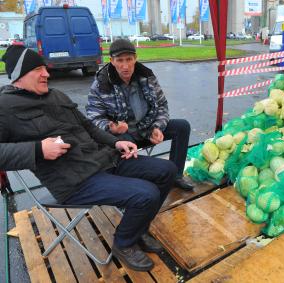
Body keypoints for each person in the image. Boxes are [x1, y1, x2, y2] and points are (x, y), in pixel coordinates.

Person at [0, 45, 177, 271]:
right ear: (19, 76)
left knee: (167, 171)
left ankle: (138, 229)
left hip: (102, 159)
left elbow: (88, 127)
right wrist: (38, 149)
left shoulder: (56, 95)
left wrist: (116, 142)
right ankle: (124, 243)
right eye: (38, 69)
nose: (46, 74)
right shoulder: (5, 107)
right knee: (146, 194)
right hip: (74, 180)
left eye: (45, 68)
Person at [86, 39, 194, 191]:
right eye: (120, 60)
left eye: (129, 59)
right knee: (124, 145)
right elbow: (92, 118)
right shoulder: (101, 83)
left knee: (182, 126)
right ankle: (135, 189)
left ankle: (175, 176)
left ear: (135, 58)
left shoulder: (147, 76)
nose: (125, 66)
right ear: (111, 61)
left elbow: (162, 105)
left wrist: (157, 127)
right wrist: (111, 128)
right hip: (122, 135)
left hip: (146, 129)